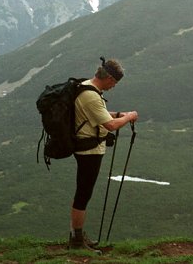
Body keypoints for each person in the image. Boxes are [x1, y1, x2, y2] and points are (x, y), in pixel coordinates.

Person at [68, 57, 139, 250]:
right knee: (83, 194)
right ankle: (76, 240)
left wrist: (119, 114)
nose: (114, 86)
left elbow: (102, 115)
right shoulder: (91, 96)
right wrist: (130, 117)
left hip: (86, 147)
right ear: (107, 77)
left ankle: (77, 235)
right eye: (114, 82)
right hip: (89, 150)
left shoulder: (86, 87)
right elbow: (110, 125)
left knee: (83, 192)